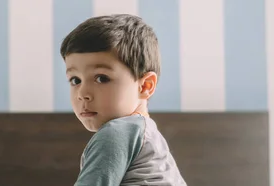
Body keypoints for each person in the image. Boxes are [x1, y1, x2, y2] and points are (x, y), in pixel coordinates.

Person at [60, 14, 187, 186]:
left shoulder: (117, 132)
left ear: (145, 86)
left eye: (101, 78)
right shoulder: (145, 133)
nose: (82, 93)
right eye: (75, 80)